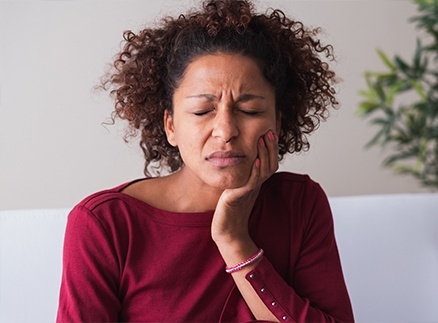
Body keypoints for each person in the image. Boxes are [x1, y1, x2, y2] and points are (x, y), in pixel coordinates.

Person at [56, 0, 354, 322]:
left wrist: (234, 239)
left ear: (278, 123)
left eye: (250, 111)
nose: (225, 131)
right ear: (170, 125)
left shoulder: (300, 204)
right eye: (202, 111)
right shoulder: (105, 225)